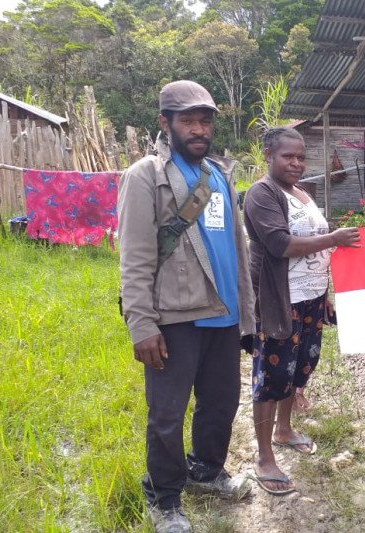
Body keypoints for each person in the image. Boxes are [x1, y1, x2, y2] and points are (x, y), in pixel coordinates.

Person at [118, 80, 256, 533]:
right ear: (165, 123)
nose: (198, 130)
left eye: (204, 121)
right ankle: (165, 498)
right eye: (187, 121)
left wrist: (248, 314)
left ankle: (207, 471)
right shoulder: (146, 175)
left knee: (221, 403)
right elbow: (135, 257)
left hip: (224, 313)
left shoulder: (219, 173)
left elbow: (237, 249)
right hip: (175, 317)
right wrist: (141, 325)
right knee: (167, 413)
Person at [243, 127, 360, 495]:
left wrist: (323, 291)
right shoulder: (261, 194)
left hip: (310, 298)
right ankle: (264, 457)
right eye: (287, 156)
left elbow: (316, 253)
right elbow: (279, 244)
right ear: (268, 155)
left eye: (300, 157)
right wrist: (334, 238)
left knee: (299, 368)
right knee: (272, 375)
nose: (295, 163)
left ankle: (284, 429)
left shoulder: (302, 194)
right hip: (278, 301)